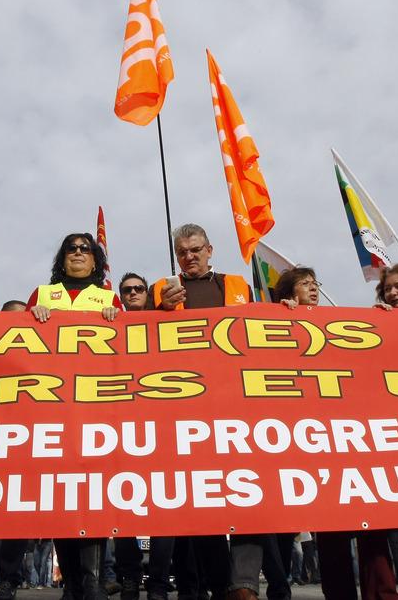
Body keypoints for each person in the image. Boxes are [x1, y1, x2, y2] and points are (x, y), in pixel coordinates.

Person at [277, 267, 396, 600]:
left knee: (374, 534)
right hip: (316, 446)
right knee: (332, 537)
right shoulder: (276, 324)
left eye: (316, 284)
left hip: (352, 441)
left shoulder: (337, 323)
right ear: (289, 292)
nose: (313, 289)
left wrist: (385, 321)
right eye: (305, 284)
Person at [148, 224, 251, 600]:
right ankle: (221, 585)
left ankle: (245, 584)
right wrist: (157, 308)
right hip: (187, 408)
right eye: (182, 252)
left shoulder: (238, 285)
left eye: (195, 250)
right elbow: (140, 337)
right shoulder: (162, 288)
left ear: (210, 249)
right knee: (205, 502)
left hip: (235, 403)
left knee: (246, 495)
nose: (189, 257)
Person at [17, 233, 120, 600]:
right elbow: (13, 342)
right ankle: (74, 583)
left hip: (94, 411)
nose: (78, 253)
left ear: (96, 260)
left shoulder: (110, 298)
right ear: (62, 259)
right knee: (60, 495)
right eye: (71, 249)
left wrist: (117, 321)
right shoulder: (41, 296)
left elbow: (128, 352)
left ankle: (90, 582)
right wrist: (31, 319)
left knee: (91, 493)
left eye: (85, 249)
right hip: (52, 411)